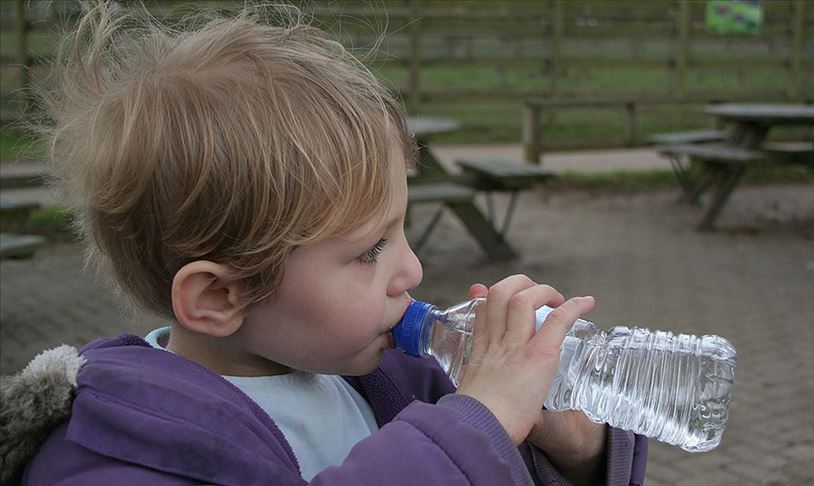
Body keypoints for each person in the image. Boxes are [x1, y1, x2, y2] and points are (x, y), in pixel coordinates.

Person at [1, 2, 647, 485]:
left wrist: (570, 449)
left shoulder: (386, 381)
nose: (412, 269)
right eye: (370, 250)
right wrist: (475, 425)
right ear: (220, 295)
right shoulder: (114, 450)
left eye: (401, 229)